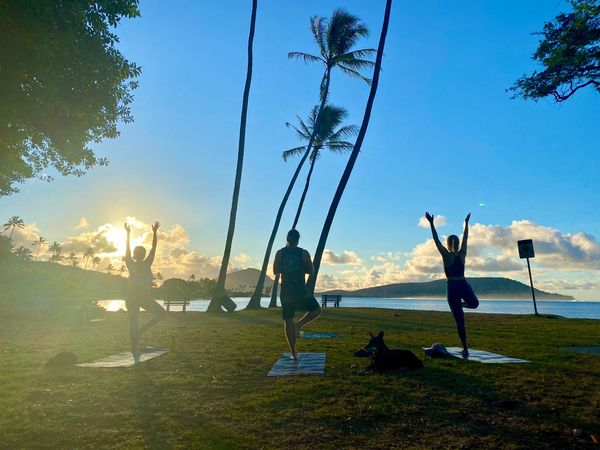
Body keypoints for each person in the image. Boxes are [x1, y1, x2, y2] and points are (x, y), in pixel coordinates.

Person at [425, 212, 479, 356]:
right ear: (449, 244)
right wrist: (431, 223)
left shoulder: (462, 254)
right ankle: (465, 347)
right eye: (452, 241)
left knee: (474, 304)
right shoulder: (446, 255)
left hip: (463, 283)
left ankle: (460, 304)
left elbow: (466, 238)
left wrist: (467, 224)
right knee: (459, 320)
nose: (455, 243)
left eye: (456, 241)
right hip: (453, 287)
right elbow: (436, 240)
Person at [273, 229, 322, 360]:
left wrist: (286, 268)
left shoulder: (280, 253)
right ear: (298, 239)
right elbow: (311, 271)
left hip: (286, 292)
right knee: (316, 310)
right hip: (301, 290)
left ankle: (294, 353)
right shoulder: (304, 253)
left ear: (287, 239)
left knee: (288, 320)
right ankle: (299, 325)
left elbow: (275, 271)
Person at [124, 221, 166, 356]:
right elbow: (127, 250)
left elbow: (154, 248)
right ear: (135, 255)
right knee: (133, 323)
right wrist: (128, 234)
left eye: (142, 253)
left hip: (144, 297)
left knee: (161, 313)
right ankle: (134, 347)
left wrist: (154, 233)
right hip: (132, 298)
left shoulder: (148, 263)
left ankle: (142, 330)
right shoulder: (130, 263)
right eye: (139, 253)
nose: (141, 255)